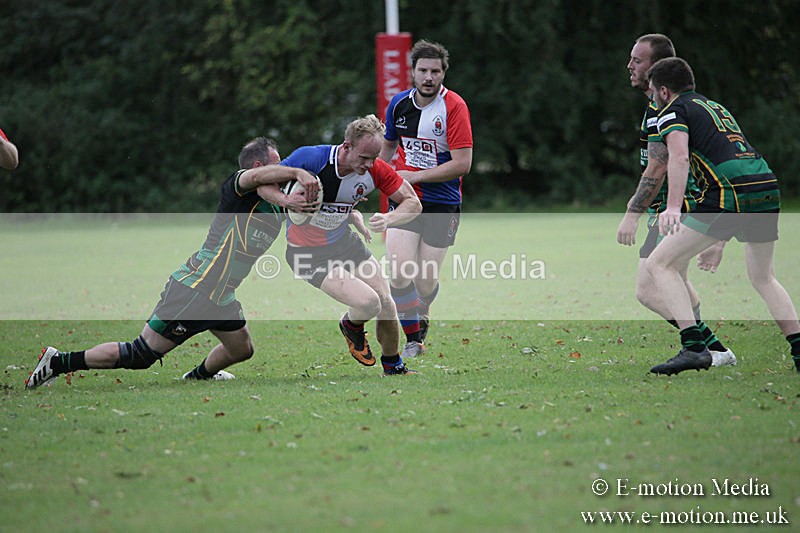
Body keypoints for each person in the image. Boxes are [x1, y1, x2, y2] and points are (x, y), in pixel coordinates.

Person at [25, 137, 320, 389]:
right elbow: (255, 181)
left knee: (241, 348)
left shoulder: (274, 203)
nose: (282, 171)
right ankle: (59, 361)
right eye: (277, 164)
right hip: (195, 287)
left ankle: (197, 378)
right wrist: (296, 171)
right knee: (140, 355)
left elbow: (298, 205)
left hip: (220, 294)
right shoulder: (239, 184)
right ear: (259, 166)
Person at [645, 57, 800, 375]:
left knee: (660, 263)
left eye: (652, 91)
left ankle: (693, 348)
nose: (651, 98)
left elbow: (679, 156)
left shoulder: (672, 110)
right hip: (764, 183)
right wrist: (719, 239)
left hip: (729, 190)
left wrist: (673, 207)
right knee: (763, 277)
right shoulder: (714, 106)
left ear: (663, 90)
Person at [615, 34, 735, 367]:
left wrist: (632, 213)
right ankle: (715, 350)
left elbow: (660, 163)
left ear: (656, 69)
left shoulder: (661, 107)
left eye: (637, 60)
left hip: (678, 208)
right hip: (680, 208)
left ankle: (703, 348)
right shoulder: (657, 105)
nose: (630, 66)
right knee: (676, 281)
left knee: (648, 287)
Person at [280, 114, 422, 375]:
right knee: (369, 303)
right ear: (347, 146)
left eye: (374, 158)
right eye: (363, 157)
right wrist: (286, 201)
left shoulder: (375, 169)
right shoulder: (312, 158)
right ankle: (351, 325)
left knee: (386, 302)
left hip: (345, 244)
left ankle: (393, 366)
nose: (369, 165)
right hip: (307, 254)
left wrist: (390, 217)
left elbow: (413, 202)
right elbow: (263, 180)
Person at [379, 39, 472, 359]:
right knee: (399, 270)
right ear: (412, 72)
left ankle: (424, 310)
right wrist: (371, 175)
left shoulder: (454, 107)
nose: (429, 77)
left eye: (435, 71)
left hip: (442, 203)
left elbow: (463, 164)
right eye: (423, 70)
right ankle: (413, 338)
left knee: (425, 279)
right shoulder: (399, 104)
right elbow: (387, 148)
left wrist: (415, 175)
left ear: (444, 73)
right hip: (405, 199)